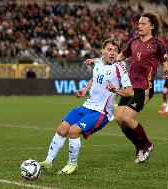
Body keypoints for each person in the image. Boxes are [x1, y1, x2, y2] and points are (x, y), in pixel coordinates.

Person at [39, 38, 133, 174]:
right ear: (103, 51)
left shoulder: (120, 69)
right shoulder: (99, 63)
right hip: (87, 106)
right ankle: (48, 162)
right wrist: (85, 89)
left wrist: (115, 90)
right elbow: (95, 78)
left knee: (73, 131)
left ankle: (72, 164)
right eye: (109, 50)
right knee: (62, 129)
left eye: (115, 51)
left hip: (101, 112)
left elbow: (130, 91)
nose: (113, 53)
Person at [114, 10, 168, 163]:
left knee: (127, 118)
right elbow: (121, 56)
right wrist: (108, 59)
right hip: (129, 87)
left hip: (144, 87)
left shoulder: (157, 44)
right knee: (119, 119)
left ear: (151, 26)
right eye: (138, 23)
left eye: (143, 23)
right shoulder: (133, 42)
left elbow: (164, 63)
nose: (139, 26)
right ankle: (140, 147)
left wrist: (167, 72)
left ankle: (147, 146)